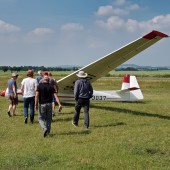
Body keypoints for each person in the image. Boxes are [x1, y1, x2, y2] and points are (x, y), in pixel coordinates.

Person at [35, 73, 62, 137]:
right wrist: (59, 104)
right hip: (49, 104)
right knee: (49, 119)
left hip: (42, 104)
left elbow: (36, 96)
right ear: (49, 80)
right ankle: (48, 132)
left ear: (43, 80)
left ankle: (44, 128)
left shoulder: (39, 86)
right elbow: (56, 96)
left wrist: (35, 105)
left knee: (40, 118)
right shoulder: (51, 87)